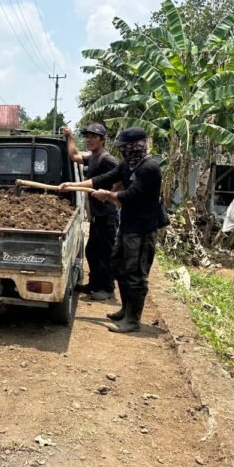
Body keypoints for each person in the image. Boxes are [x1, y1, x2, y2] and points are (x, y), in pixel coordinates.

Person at [59, 127, 161, 333]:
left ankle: (132, 320)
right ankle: (125, 309)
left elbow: (132, 195)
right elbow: (103, 178)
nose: (123, 151)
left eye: (126, 147)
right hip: (128, 226)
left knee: (136, 275)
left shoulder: (149, 168)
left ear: (136, 146)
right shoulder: (128, 165)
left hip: (142, 230)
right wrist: (74, 184)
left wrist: (108, 195)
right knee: (118, 265)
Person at [63, 124, 119, 301]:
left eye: (93, 137)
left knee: (105, 253)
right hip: (96, 215)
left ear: (102, 139)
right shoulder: (93, 157)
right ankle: (94, 284)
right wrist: (69, 136)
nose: (89, 140)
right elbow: (74, 156)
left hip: (106, 214)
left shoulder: (107, 159)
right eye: (87, 136)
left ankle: (108, 288)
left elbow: (123, 176)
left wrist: (111, 195)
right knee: (92, 251)